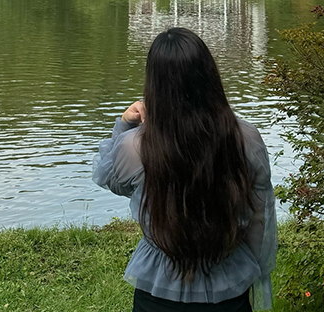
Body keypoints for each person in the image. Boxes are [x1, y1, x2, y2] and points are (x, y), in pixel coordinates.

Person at [93, 27, 277, 312]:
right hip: (229, 281)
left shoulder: (136, 145)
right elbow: (259, 215)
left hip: (159, 289)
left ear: (154, 83)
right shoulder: (245, 137)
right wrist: (253, 270)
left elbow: (108, 177)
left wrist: (124, 124)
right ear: (209, 75)